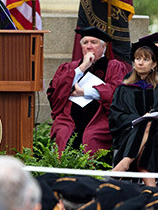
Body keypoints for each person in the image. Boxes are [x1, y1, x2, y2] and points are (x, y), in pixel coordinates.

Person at [47, 26, 130, 154]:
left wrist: (84, 92)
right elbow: (56, 93)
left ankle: (91, 172)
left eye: (94, 42)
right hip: (68, 118)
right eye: (85, 43)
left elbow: (117, 92)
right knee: (63, 133)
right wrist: (82, 68)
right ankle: (62, 171)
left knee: (92, 137)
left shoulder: (114, 67)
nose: (89, 46)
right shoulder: (71, 68)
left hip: (100, 118)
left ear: (103, 47)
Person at [109, 40, 158, 186]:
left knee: (149, 124)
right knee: (144, 127)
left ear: (154, 64)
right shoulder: (124, 88)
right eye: (138, 59)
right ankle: (152, 188)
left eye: (146, 59)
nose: (140, 63)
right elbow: (116, 115)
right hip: (129, 131)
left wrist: (149, 118)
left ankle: (125, 162)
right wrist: (138, 119)